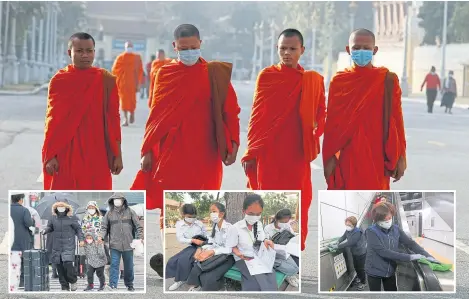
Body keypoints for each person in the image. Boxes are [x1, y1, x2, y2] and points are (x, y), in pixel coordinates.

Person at [131, 23, 240, 228]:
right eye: (183, 48)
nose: (189, 52)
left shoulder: (215, 74)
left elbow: (231, 112)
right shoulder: (165, 74)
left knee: (203, 201)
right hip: (172, 152)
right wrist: (147, 151)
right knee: (172, 205)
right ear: (175, 46)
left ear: (200, 43)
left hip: (206, 151)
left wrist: (233, 143)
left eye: (192, 47)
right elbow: (156, 116)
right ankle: (170, 251)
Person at [242, 29, 326, 252]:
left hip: (296, 153)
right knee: (266, 200)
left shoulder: (312, 81)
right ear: (277, 49)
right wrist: (252, 151)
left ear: (302, 50)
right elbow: (257, 116)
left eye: (292, 49)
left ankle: (292, 250)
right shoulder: (267, 76)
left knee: (298, 202)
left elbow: (321, 113)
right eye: (283, 49)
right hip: (269, 153)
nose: (287, 53)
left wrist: (314, 128)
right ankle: (264, 249)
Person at [323, 28, 406, 190]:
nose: (361, 51)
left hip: (377, 156)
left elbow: (397, 119)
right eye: (356, 48)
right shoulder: (339, 81)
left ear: (375, 50)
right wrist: (329, 157)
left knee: (374, 205)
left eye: (366, 48)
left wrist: (401, 156)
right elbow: (332, 125)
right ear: (348, 50)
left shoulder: (387, 80)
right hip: (347, 158)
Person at [42, 32, 123, 190]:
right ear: (69, 52)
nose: (85, 55)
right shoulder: (59, 81)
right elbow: (52, 120)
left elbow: (114, 118)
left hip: (97, 151)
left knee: (96, 198)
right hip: (67, 152)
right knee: (65, 196)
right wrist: (50, 155)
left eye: (89, 50)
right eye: (79, 51)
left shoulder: (106, 80)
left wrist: (117, 155)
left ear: (94, 51)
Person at [365, 202, 438, 291]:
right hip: (374, 270)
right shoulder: (371, 231)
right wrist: (410, 257)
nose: (388, 220)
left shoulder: (396, 229)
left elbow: (410, 243)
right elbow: (383, 251)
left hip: (390, 270)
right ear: (377, 219)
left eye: (390, 217)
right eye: (384, 219)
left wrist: (428, 255)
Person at [226, 194, 277, 291]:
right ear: (243, 211)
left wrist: (266, 241)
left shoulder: (259, 224)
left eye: (258, 214)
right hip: (244, 258)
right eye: (251, 213)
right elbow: (232, 247)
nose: (255, 217)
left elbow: (261, 238)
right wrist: (239, 254)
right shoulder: (235, 228)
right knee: (255, 282)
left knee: (269, 276)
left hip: (259, 255)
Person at [99, 193, 144, 291]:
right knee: (114, 265)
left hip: (129, 244)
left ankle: (129, 284)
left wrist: (140, 237)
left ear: (123, 200)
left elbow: (138, 226)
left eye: (119, 199)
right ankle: (113, 285)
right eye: (115, 199)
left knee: (129, 266)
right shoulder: (109, 213)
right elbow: (104, 227)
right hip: (114, 244)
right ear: (112, 201)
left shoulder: (130, 212)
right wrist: (101, 237)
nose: (117, 201)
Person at [186, 202, 235, 291]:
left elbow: (229, 249)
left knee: (209, 276)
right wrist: (201, 249)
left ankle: (209, 290)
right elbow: (211, 243)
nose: (211, 214)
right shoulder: (215, 227)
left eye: (214, 211)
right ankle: (195, 287)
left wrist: (213, 252)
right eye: (210, 212)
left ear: (222, 214)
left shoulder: (230, 228)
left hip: (227, 257)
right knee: (197, 265)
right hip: (215, 255)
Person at [42, 201, 84, 291]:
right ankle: (64, 286)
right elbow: (50, 227)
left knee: (67, 263)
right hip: (57, 245)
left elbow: (78, 229)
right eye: (58, 206)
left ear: (66, 207)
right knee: (59, 266)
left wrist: (81, 239)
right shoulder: (53, 218)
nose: (60, 208)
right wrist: (45, 230)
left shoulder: (71, 218)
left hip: (68, 244)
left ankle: (73, 280)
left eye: (62, 206)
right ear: (55, 208)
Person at [166, 204, 207, 291]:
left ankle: (180, 279)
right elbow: (180, 238)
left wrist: (203, 243)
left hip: (202, 246)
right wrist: (192, 240)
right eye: (189, 216)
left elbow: (206, 235)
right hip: (191, 246)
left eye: (193, 217)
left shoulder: (199, 223)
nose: (191, 219)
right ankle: (180, 279)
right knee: (173, 260)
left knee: (184, 259)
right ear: (183, 214)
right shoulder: (180, 224)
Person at [264, 209, 299, 287]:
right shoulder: (268, 228)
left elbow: (292, 236)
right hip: (272, 253)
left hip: (284, 251)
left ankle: (290, 274)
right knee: (292, 269)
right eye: (283, 222)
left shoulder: (287, 226)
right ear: (276, 219)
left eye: (287, 222)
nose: (285, 224)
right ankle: (289, 276)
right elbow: (266, 244)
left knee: (296, 268)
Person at [330, 216, 367, 291]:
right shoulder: (348, 230)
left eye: (349, 225)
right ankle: (359, 278)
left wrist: (337, 246)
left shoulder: (357, 232)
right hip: (354, 252)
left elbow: (350, 242)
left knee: (360, 268)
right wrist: (338, 241)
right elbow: (343, 237)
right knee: (356, 267)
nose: (347, 226)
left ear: (354, 225)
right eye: (346, 224)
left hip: (361, 253)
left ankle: (363, 282)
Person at [112, 41, 144, 126]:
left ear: (132, 47)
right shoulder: (120, 57)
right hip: (123, 84)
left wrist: (139, 83)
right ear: (125, 47)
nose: (129, 47)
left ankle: (132, 112)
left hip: (133, 83)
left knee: (132, 101)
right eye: (127, 46)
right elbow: (115, 70)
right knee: (123, 102)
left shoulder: (137, 58)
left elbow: (140, 71)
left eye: (130, 46)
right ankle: (125, 119)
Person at [10, 193, 34, 289]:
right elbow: (29, 223)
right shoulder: (24, 210)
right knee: (24, 261)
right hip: (23, 240)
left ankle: (12, 281)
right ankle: (22, 282)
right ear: (20, 199)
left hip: (12, 240)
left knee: (12, 262)